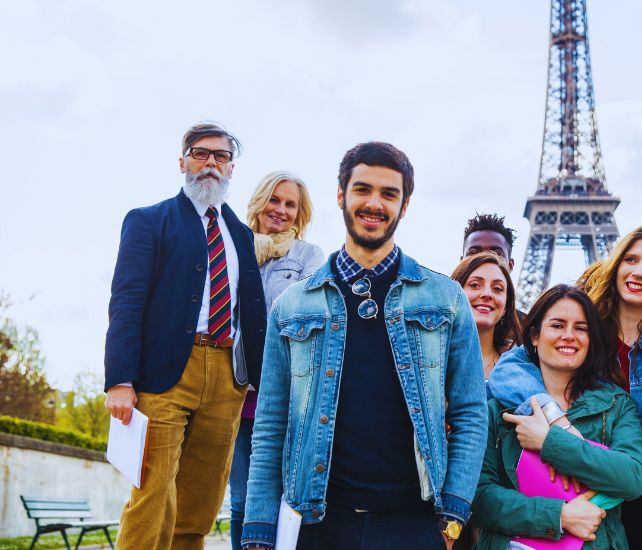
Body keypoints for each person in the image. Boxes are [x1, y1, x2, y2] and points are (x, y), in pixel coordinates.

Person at [242, 142, 488, 550]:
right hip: (317, 525)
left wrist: (453, 518)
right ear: (341, 195)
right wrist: (258, 530)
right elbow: (270, 425)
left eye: (389, 193)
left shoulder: (446, 299)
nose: (374, 203)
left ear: (404, 206)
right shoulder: (292, 306)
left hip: (413, 525)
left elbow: (471, 412)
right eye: (363, 189)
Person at [103, 122, 267, 549]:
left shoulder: (241, 235)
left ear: (231, 168)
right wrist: (120, 380)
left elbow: (251, 313)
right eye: (200, 153)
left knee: (201, 502)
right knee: (152, 493)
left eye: (221, 156)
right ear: (183, 162)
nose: (210, 162)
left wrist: (261, 381)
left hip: (227, 377)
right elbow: (126, 301)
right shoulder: (148, 221)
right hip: (164, 374)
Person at [488, 225, 642, 547]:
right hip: (575, 483)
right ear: (616, 264)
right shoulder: (581, 324)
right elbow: (509, 369)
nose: (639, 271)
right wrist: (554, 418)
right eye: (631, 259)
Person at [472, 284, 642, 549]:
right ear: (534, 336)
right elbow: (479, 497)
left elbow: (633, 479)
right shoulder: (496, 408)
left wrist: (549, 442)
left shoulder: (616, 405)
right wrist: (559, 516)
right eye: (557, 325)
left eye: (581, 328)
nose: (569, 336)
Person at [228, 171, 325, 550]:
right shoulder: (231, 248)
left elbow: (308, 315)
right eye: (274, 199)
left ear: (300, 213)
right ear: (260, 200)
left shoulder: (308, 257)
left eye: (290, 204)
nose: (281, 210)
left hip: (282, 394)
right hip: (234, 393)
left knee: (286, 498)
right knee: (241, 500)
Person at [450, 252, 521, 381]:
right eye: (475, 285)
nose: (487, 294)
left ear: (505, 307)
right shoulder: (428, 359)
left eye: (497, 288)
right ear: (454, 294)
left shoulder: (520, 368)